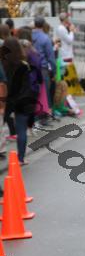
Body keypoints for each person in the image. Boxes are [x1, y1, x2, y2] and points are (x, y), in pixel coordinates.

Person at [0, 37, 37, 165]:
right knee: (21, 130)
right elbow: (29, 85)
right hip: (22, 99)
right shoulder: (24, 65)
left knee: (1, 125)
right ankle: (21, 158)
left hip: (6, 100)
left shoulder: (2, 65)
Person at [32, 16, 56, 115]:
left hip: (31, 68)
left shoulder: (29, 36)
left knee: (34, 92)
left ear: (34, 24)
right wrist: (54, 71)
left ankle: (35, 112)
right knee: (45, 92)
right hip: (42, 68)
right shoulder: (46, 38)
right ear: (43, 25)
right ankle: (45, 113)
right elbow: (51, 57)